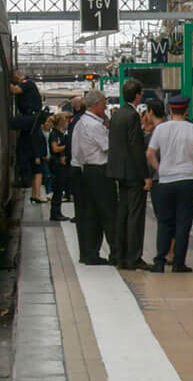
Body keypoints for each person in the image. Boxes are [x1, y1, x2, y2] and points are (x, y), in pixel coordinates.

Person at [147, 94, 193, 273]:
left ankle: (159, 261)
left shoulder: (161, 129)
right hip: (188, 180)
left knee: (165, 221)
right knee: (183, 222)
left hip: (165, 181)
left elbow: (150, 154)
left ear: (170, 110)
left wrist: (160, 169)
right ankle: (178, 262)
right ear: (186, 110)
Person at [107, 79, 150, 270]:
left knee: (122, 214)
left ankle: (120, 255)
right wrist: (145, 174)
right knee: (135, 216)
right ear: (138, 95)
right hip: (133, 173)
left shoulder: (116, 115)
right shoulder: (133, 116)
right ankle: (134, 257)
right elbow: (136, 148)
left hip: (118, 172)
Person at [73, 90, 116, 265]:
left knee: (90, 214)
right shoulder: (94, 126)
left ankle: (89, 253)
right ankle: (116, 252)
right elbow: (108, 147)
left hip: (86, 171)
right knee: (108, 213)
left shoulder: (81, 122)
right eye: (104, 103)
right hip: (99, 171)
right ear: (97, 104)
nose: (106, 106)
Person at [49, 112, 71, 221]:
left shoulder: (61, 134)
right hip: (56, 164)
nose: (67, 122)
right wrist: (67, 146)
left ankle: (58, 212)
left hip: (61, 164)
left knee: (59, 189)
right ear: (61, 122)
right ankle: (55, 213)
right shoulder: (54, 134)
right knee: (57, 190)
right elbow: (55, 148)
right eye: (65, 120)